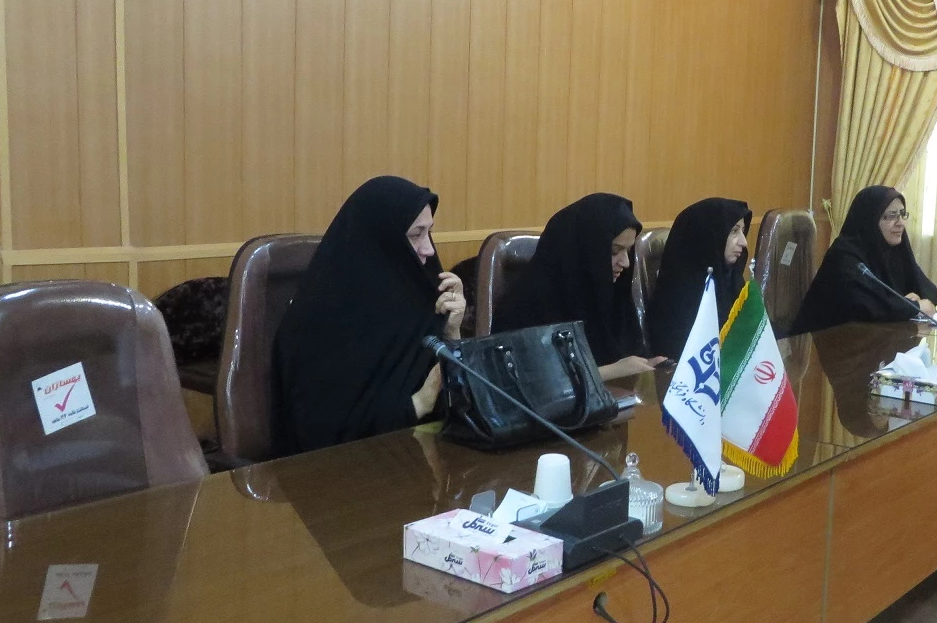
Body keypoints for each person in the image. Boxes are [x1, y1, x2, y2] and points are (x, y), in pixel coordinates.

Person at [272, 176, 467, 455]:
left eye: (429, 232)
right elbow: (323, 439)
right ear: (381, 242)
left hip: (428, 458)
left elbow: (465, 408)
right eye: (415, 235)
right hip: (348, 473)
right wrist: (419, 403)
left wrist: (452, 333)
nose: (428, 249)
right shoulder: (316, 325)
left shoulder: (421, 301)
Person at [493, 193, 666, 381]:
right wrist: (609, 373)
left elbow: (629, 356)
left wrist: (647, 365)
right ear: (585, 250)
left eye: (628, 251)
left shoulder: (612, 297)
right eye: (613, 251)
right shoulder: (526, 304)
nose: (625, 262)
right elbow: (525, 383)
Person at [789, 186, 937, 335]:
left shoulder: (895, 250)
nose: (900, 223)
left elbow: (929, 291)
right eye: (891, 215)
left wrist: (910, 302)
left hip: (871, 339)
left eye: (902, 214)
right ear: (869, 219)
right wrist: (912, 306)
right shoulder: (844, 255)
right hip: (826, 342)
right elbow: (866, 306)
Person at [646, 197, 752, 359]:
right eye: (734, 231)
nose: (744, 242)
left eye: (743, 231)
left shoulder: (732, 282)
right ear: (708, 237)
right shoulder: (678, 301)